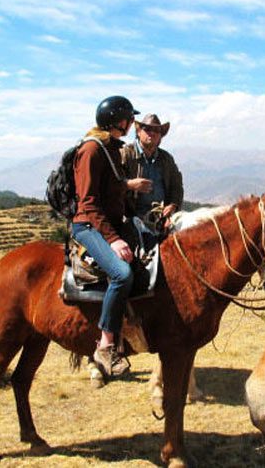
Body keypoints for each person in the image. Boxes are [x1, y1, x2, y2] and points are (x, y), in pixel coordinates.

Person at [72, 95, 139, 379]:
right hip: (89, 226)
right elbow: (87, 204)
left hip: (110, 223)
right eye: (128, 119)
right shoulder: (91, 150)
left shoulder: (111, 148)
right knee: (122, 274)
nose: (132, 124)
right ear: (116, 121)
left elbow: (113, 191)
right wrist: (114, 239)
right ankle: (107, 344)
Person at [120, 113, 184, 234]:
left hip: (159, 219)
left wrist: (173, 205)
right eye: (147, 129)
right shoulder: (125, 154)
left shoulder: (166, 159)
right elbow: (112, 183)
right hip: (128, 218)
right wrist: (129, 184)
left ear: (160, 136)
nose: (152, 133)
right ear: (138, 132)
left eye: (157, 130)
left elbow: (176, 185)